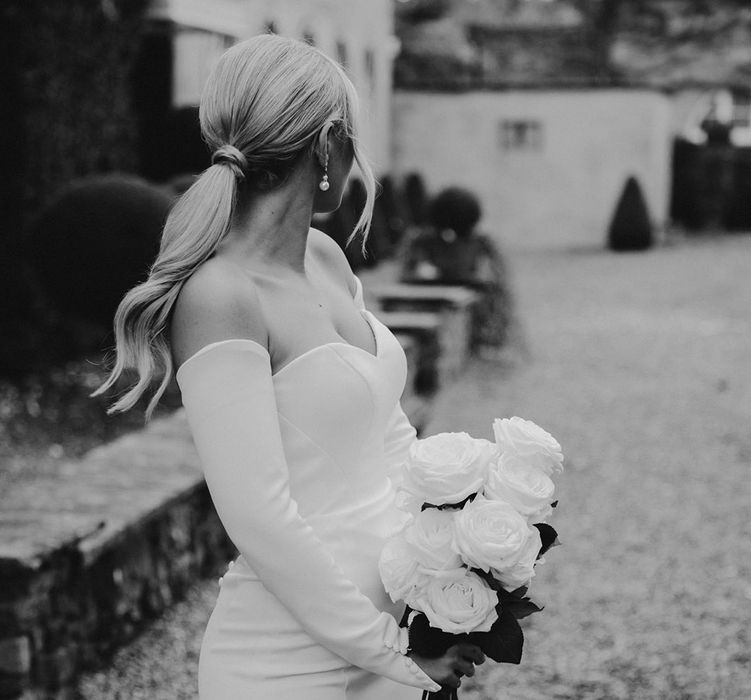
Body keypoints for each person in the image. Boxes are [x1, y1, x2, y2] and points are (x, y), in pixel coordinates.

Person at [93, 35, 483, 699]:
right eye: (352, 138)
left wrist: (458, 555)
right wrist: (391, 650)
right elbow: (259, 517)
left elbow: (389, 436)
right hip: (290, 664)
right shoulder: (222, 296)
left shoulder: (326, 258)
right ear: (327, 144)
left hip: (401, 632)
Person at [400, 186, 514, 354]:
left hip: (459, 292)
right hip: (432, 294)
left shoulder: (479, 243)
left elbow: (493, 276)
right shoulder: (424, 240)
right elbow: (409, 271)